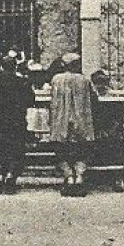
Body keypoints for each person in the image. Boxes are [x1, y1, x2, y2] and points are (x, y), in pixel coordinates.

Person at [48, 52, 98, 197]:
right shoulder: (84, 80)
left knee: (62, 150)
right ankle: (80, 177)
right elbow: (95, 98)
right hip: (80, 122)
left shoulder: (56, 79)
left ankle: (69, 176)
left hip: (62, 122)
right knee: (83, 150)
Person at [0, 53, 34, 194]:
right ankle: (11, 175)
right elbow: (30, 100)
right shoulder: (22, 81)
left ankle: (0, 176)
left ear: (1, 66)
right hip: (16, 120)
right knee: (16, 149)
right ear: (15, 67)